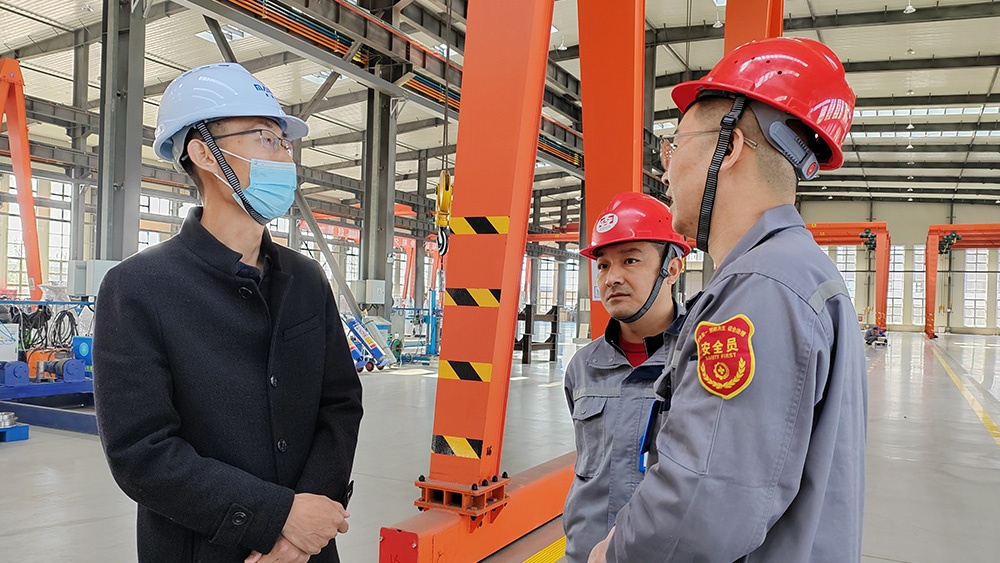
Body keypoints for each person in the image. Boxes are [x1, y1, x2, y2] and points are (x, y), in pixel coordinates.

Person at [589, 37, 868, 562]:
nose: (664, 171)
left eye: (674, 146)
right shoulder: (797, 273)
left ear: (730, 146)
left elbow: (701, 505)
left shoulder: (761, 289)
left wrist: (614, 554)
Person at [93, 63, 363, 563]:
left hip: (310, 550)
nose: (284, 156)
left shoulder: (306, 278)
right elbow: (141, 452)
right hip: (201, 550)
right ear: (204, 154)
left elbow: (340, 404)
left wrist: (305, 528)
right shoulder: (138, 288)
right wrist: (275, 518)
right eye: (265, 138)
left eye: (285, 142)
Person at [562, 192, 690, 562]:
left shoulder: (698, 361)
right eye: (603, 265)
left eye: (630, 260)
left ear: (672, 269)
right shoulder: (583, 367)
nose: (612, 277)